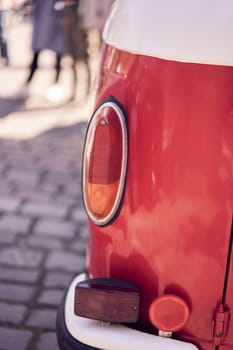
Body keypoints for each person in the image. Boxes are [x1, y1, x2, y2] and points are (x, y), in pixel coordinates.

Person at [17, 0, 66, 100]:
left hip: (56, 22)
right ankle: (27, 84)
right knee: (36, 55)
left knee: (58, 56)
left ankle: (55, 86)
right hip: (42, 20)